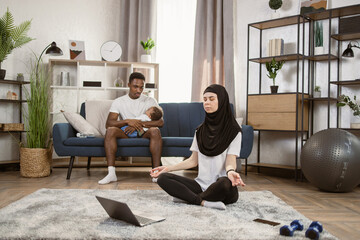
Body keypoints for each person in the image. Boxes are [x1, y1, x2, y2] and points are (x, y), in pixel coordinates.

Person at [150, 84, 245, 210]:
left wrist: (231, 171)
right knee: (163, 178)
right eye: (204, 99)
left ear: (221, 101)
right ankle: (202, 201)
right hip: (200, 185)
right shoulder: (200, 130)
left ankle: (188, 197)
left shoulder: (234, 131)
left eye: (211, 99)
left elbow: (230, 160)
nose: (207, 103)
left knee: (224, 183)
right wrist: (168, 168)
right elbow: (193, 161)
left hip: (222, 187)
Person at [98, 72, 164, 185]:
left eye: (141, 87)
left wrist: (138, 123)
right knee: (110, 131)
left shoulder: (150, 101)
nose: (139, 90)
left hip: (144, 132)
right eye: (135, 86)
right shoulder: (119, 101)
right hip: (126, 131)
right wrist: (128, 121)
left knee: (155, 131)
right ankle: (111, 173)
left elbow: (160, 122)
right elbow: (109, 123)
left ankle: (156, 172)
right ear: (129, 85)